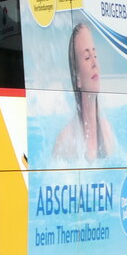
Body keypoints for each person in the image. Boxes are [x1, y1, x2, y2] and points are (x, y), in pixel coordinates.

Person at [50, 22, 117, 164]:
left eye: (95, 55)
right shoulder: (65, 141)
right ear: (78, 78)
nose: (94, 63)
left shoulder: (107, 131)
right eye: (87, 57)